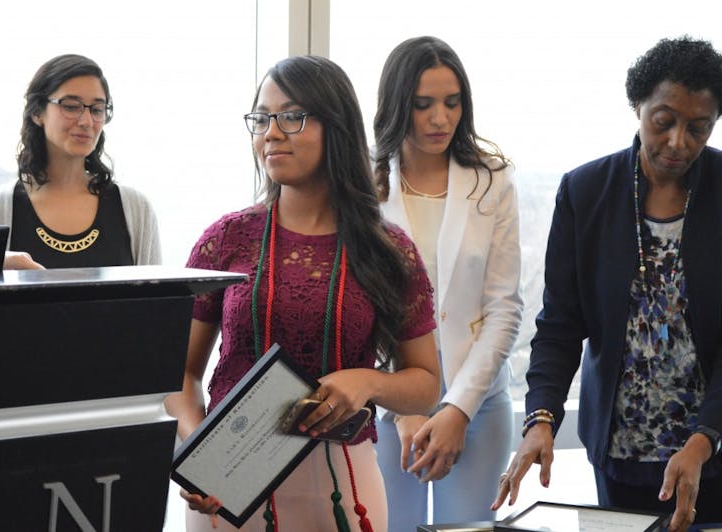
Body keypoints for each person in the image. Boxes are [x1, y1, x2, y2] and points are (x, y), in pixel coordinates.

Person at [164, 55, 441, 532]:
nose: (271, 133)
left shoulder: (387, 249)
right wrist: (197, 448)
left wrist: (367, 382)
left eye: (291, 116)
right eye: (261, 119)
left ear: (337, 126)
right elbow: (179, 372)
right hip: (230, 483)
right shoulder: (226, 239)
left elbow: (426, 385)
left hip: (343, 488)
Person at [492, 36, 722, 531]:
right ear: (638, 106)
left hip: (713, 449)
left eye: (698, 128)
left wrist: (704, 439)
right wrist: (540, 418)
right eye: (664, 121)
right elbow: (560, 324)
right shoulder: (586, 191)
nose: (678, 142)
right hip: (619, 453)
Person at [371, 36, 522, 529]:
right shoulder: (363, 184)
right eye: (423, 105)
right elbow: (360, 308)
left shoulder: (492, 179)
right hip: (389, 408)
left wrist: (458, 408)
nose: (440, 118)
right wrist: (403, 407)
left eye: (452, 103)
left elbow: (504, 308)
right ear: (398, 105)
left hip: (477, 405)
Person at [0, 54, 161, 268]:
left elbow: (160, 290)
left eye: (97, 109)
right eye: (70, 106)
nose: (87, 121)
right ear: (37, 112)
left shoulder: (136, 209)